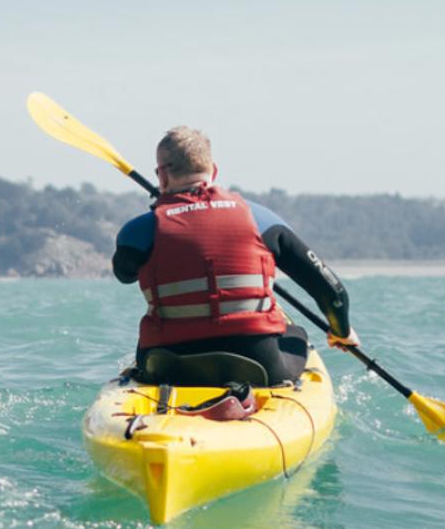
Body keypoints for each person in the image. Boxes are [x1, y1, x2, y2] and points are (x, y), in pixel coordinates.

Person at [112, 126, 359, 386]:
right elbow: (333, 293)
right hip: (258, 363)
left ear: (162, 176)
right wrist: (341, 331)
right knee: (297, 334)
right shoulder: (260, 218)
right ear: (214, 171)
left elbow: (124, 274)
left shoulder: (138, 230)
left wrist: (163, 212)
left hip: (167, 364)